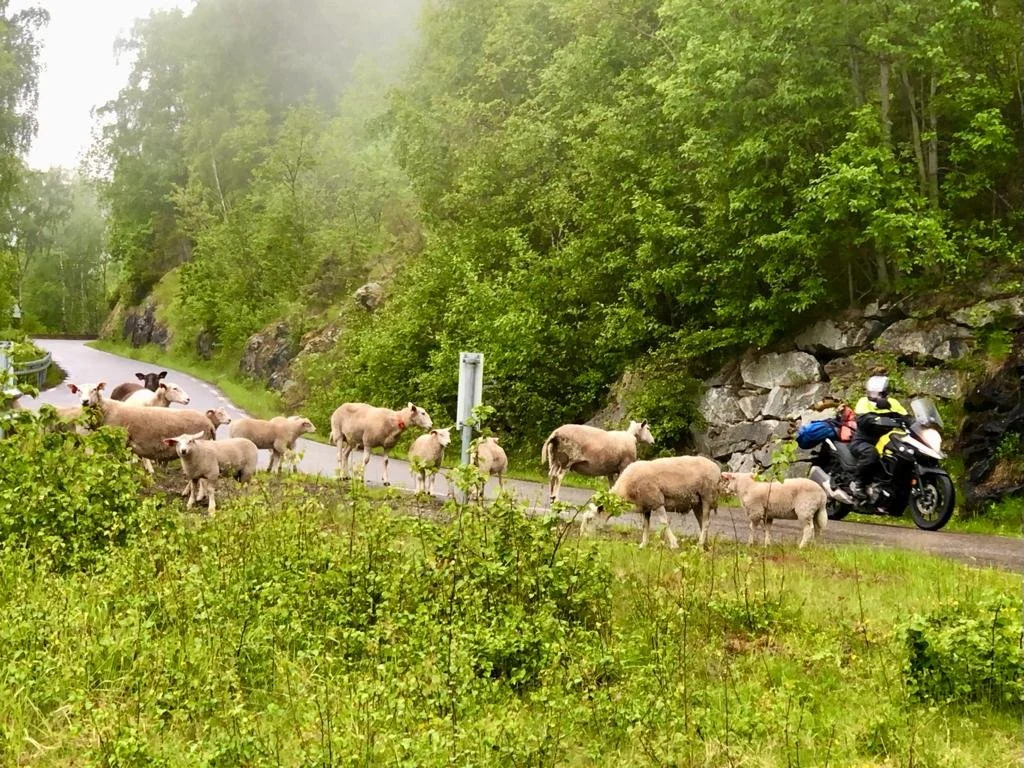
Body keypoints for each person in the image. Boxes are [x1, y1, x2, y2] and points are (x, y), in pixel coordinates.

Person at [847, 375, 910, 500]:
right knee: (871, 454)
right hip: (863, 441)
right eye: (871, 392)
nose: (874, 395)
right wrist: (875, 419)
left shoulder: (893, 403)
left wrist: (918, 423)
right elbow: (862, 419)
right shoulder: (863, 402)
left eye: (879, 393)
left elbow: (906, 417)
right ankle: (859, 484)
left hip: (887, 441)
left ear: (885, 393)